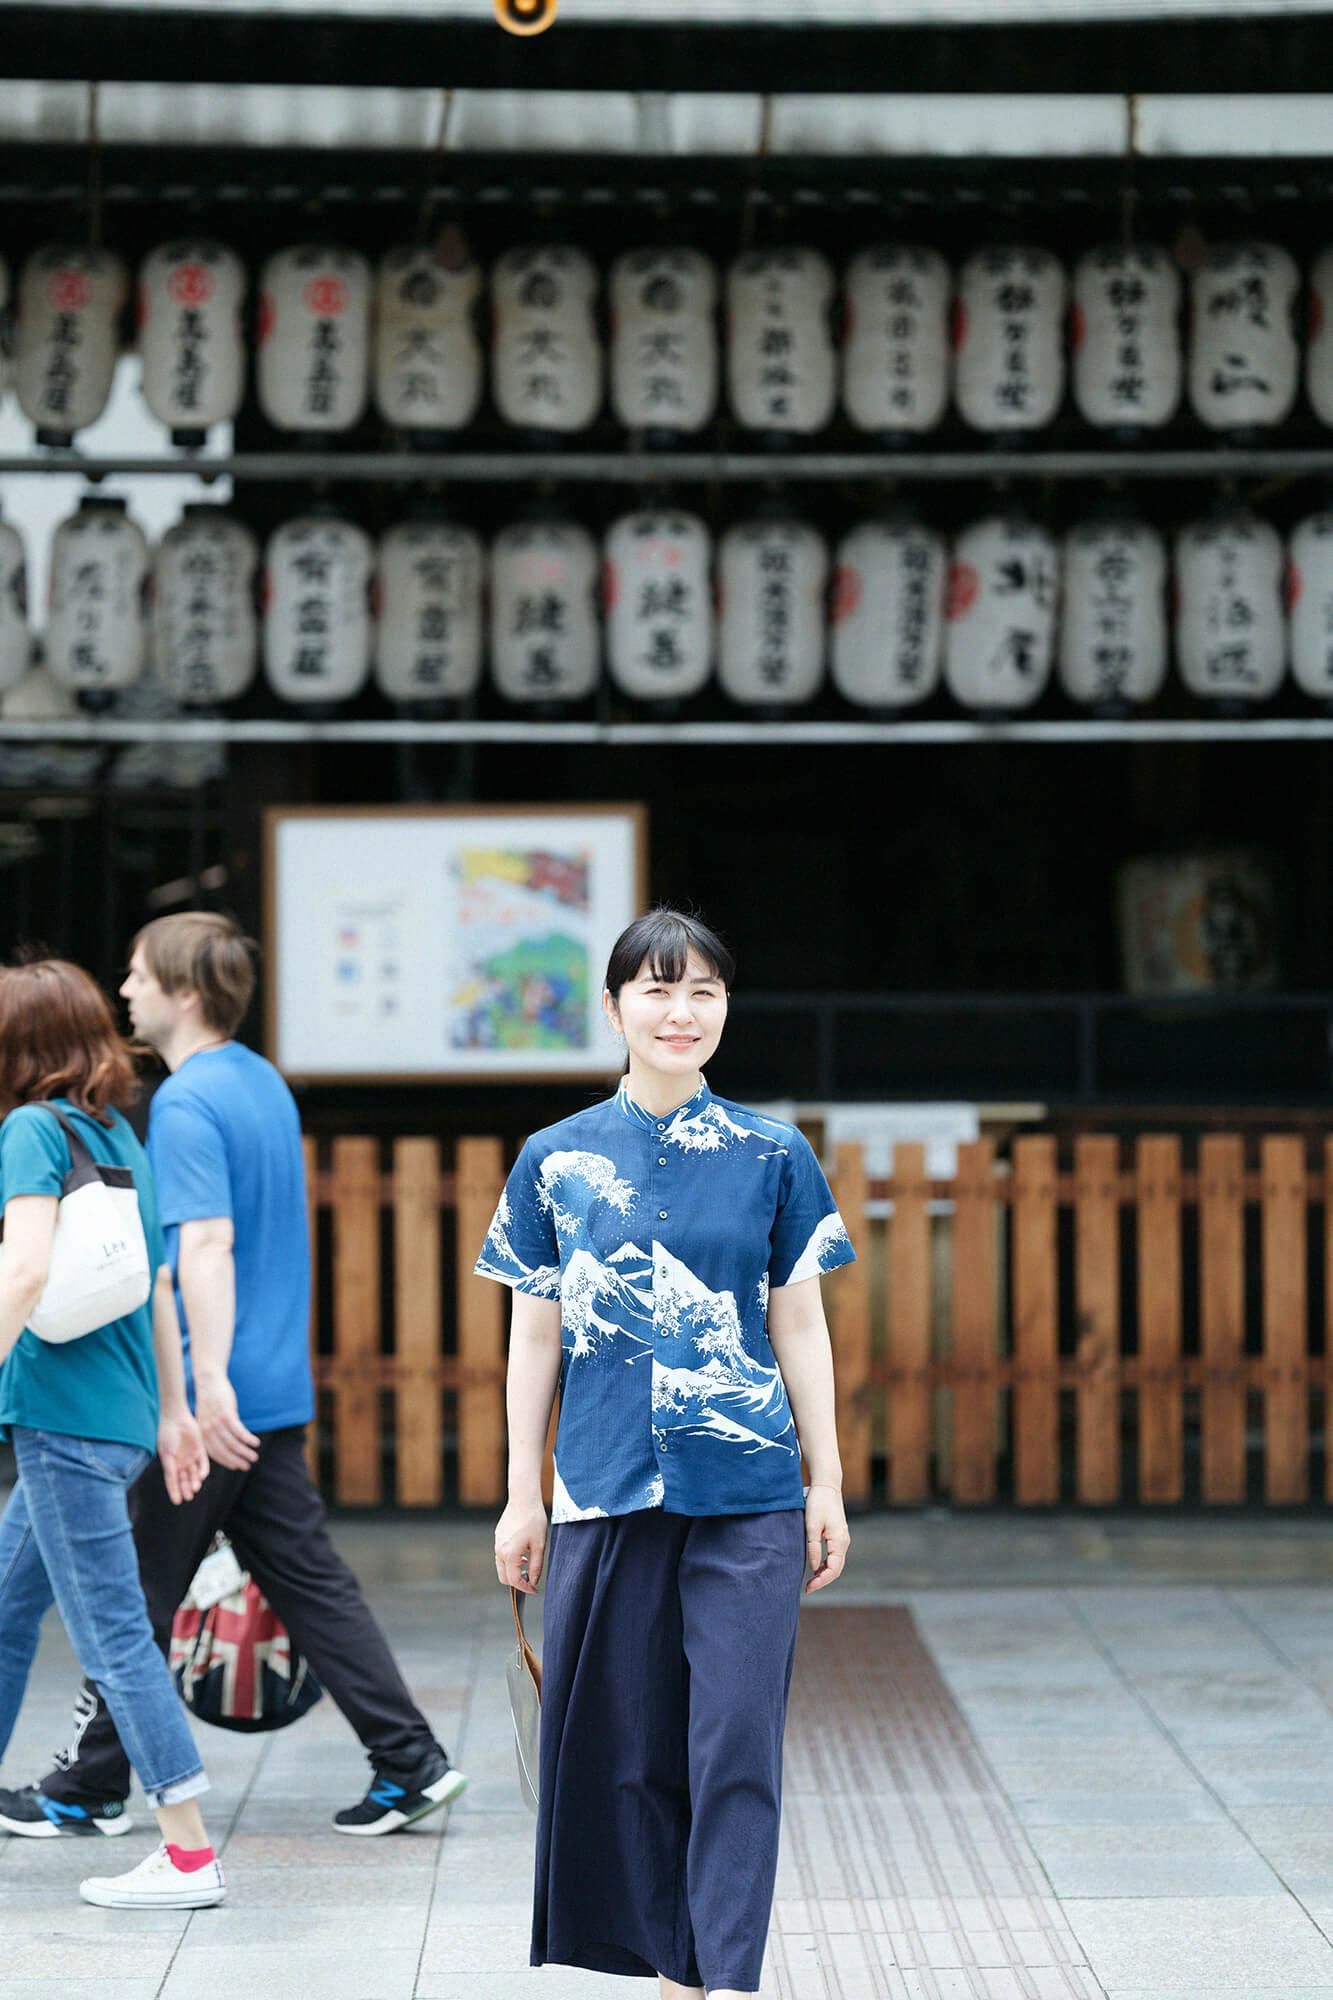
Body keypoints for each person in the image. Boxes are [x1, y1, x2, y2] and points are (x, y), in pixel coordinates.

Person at [0, 912, 466, 1842]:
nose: (124, 991)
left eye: (136, 975)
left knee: (128, 1594)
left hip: (213, 1393)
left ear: (181, 991)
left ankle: (93, 1789)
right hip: (270, 1381)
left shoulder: (184, 1103)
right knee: (308, 1581)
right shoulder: (262, 1084)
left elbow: (201, 1247)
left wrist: (202, 1388)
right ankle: (409, 1761)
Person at [479, 907, 854, 2000]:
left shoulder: (772, 1152)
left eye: (702, 991)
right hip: (600, 1485)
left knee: (734, 1736)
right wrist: (521, 1495)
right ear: (613, 1008)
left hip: (747, 1489)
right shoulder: (554, 1158)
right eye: (656, 988)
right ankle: (666, 1965)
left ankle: (717, 1976)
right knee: (629, 1748)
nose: (679, 1010)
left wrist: (823, 1479)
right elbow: (533, 1331)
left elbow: (799, 1322)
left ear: (725, 1010)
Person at [0, 957, 224, 1910]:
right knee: (7, 1611)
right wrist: (170, 1413)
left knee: (113, 1638)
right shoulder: (110, 1130)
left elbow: (26, 1271)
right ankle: (184, 1847)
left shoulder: (27, 1129)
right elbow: (157, 1284)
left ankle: (188, 1854)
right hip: (118, 1416)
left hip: (62, 1423)